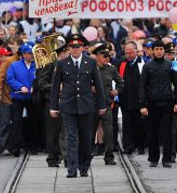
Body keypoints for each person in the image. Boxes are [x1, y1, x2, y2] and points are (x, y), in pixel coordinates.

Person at [50, 33, 106, 178]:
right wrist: (53, 106)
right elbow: (56, 87)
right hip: (68, 105)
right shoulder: (62, 63)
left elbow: (98, 85)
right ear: (68, 48)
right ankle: (72, 168)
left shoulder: (91, 63)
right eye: (72, 47)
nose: (75, 49)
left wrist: (101, 105)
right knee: (71, 137)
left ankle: (84, 166)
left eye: (78, 46)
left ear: (83, 48)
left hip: (86, 106)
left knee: (86, 139)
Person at [138, 40, 177, 168]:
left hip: (168, 103)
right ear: (152, 50)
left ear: (164, 51)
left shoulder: (171, 65)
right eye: (156, 49)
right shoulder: (147, 66)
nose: (159, 51)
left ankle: (167, 159)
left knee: (167, 133)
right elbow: (142, 87)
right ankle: (153, 158)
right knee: (153, 132)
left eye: (161, 49)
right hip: (152, 104)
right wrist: (142, 105)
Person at [91, 43, 124, 166]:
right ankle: (87, 155)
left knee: (109, 132)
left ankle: (109, 156)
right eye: (104, 55)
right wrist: (90, 87)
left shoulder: (111, 69)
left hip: (106, 104)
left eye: (108, 55)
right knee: (90, 131)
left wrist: (116, 91)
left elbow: (121, 83)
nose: (107, 58)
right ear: (97, 56)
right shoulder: (90, 67)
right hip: (92, 104)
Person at [37, 43, 68, 167]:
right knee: (52, 132)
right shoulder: (51, 65)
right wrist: (56, 87)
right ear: (62, 53)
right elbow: (42, 83)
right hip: (52, 101)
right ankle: (53, 158)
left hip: (66, 102)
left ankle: (66, 157)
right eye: (67, 52)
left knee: (66, 131)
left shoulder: (69, 65)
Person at [6, 44, 39, 154]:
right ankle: (16, 146)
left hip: (32, 98)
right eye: (29, 53)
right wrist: (20, 87)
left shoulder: (37, 65)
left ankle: (33, 146)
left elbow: (41, 78)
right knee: (17, 122)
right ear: (24, 54)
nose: (32, 56)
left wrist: (36, 86)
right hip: (18, 98)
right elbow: (10, 79)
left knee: (33, 122)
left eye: (33, 53)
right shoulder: (14, 66)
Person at [117, 42, 146, 155]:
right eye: (126, 53)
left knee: (139, 124)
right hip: (125, 100)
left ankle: (141, 146)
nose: (128, 55)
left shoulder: (142, 64)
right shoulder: (122, 63)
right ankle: (128, 146)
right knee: (127, 125)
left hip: (138, 100)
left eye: (131, 53)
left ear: (136, 52)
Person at [0, 39, 22, 157]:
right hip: (7, 97)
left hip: (19, 98)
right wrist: (0, 96)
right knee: (5, 123)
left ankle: (15, 145)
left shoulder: (28, 62)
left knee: (16, 123)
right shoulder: (8, 61)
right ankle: (4, 146)